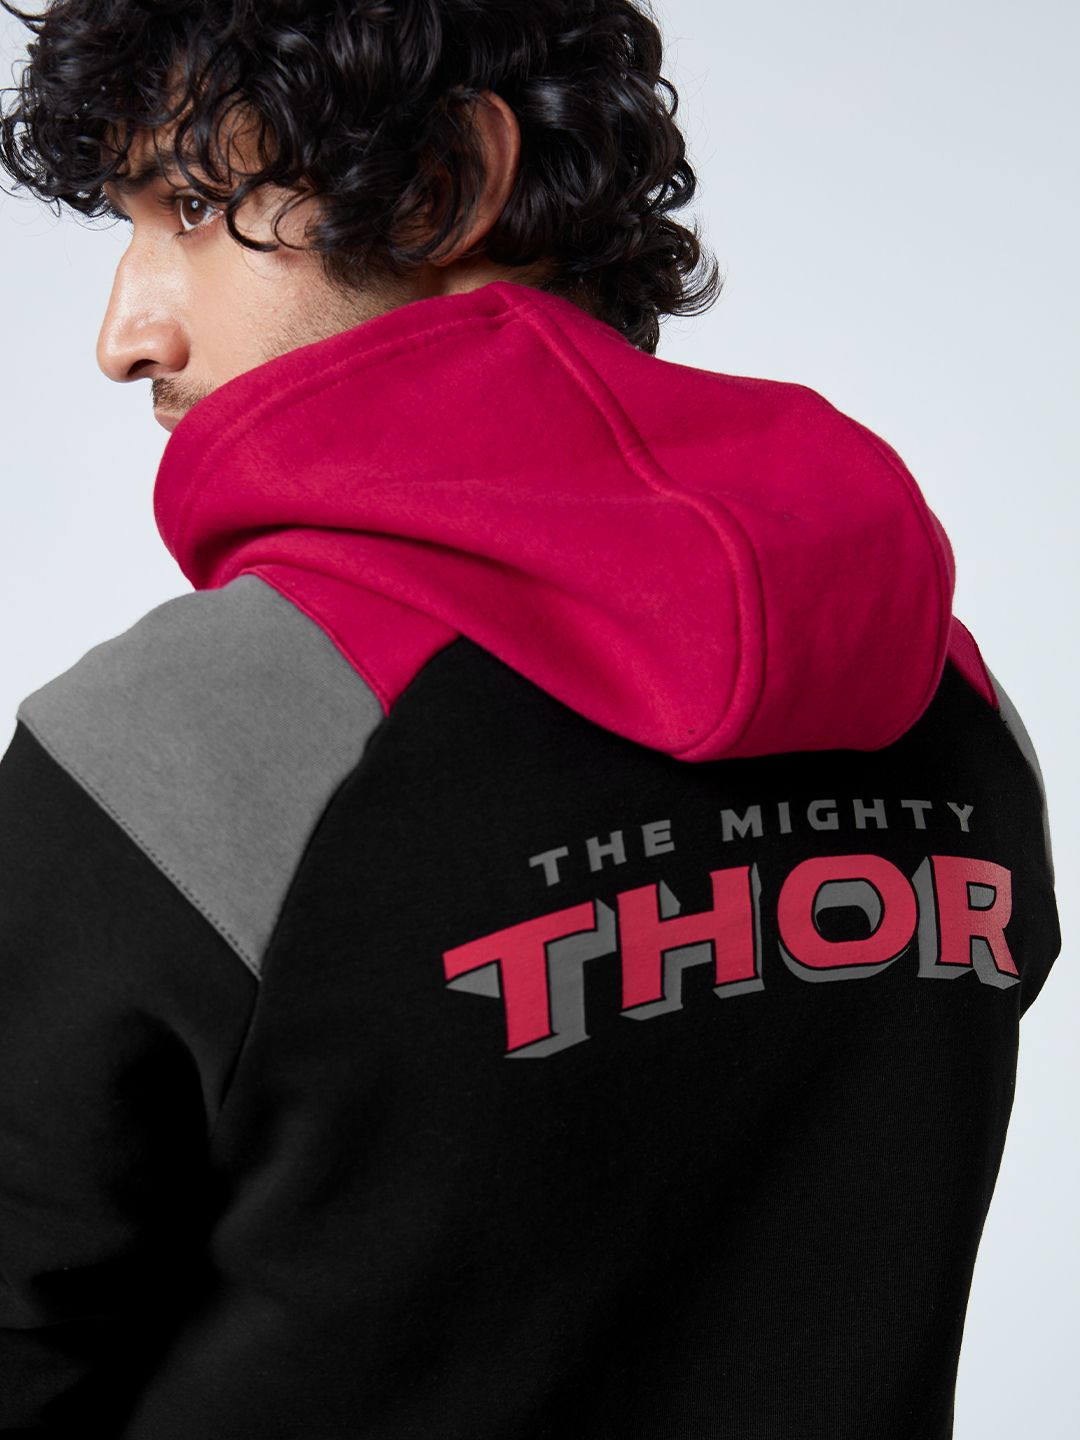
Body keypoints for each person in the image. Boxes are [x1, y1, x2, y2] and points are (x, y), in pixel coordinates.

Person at [0, 1, 1061, 1436]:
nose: (127, 335)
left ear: (442, 185)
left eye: (190, 208)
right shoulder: (950, 699)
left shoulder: (174, 746)